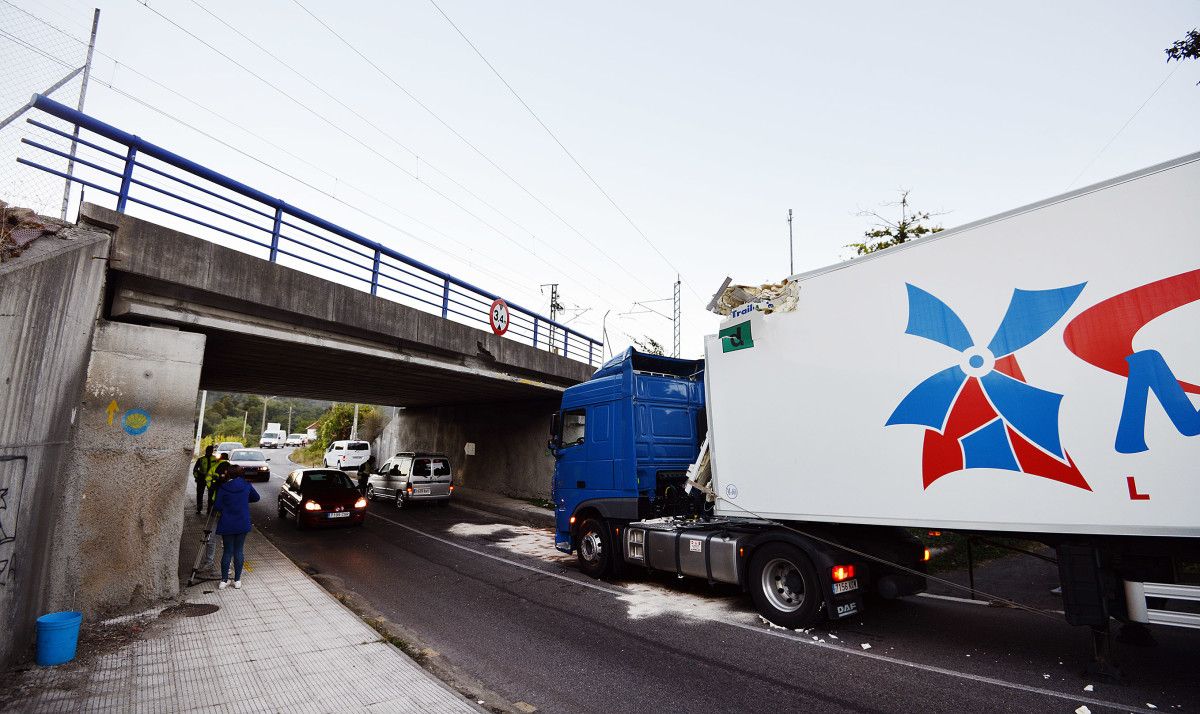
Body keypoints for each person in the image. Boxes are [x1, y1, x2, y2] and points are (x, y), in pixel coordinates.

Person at [212, 464, 260, 590]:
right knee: (239, 550)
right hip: (242, 522)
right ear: (240, 474)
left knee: (227, 551)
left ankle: (224, 581)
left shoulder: (223, 487)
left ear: (229, 474)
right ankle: (237, 580)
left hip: (227, 522)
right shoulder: (246, 485)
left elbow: (217, 505)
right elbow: (256, 498)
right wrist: (243, 500)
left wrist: (227, 507)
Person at [197, 456, 232, 575]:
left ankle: (227, 567)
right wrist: (214, 485)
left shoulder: (230, 485)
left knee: (224, 540)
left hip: (225, 513)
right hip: (216, 511)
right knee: (211, 538)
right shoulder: (218, 481)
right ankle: (209, 563)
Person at [191, 446, 218, 515]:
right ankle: (199, 509)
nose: (210, 451)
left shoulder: (215, 459)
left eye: (211, 450)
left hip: (211, 480)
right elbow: (195, 470)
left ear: (212, 451)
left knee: (211, 495)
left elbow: (218, 469)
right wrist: (197, 477)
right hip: (201, 479)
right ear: (206, 450)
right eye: (208, 450)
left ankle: (209, 510)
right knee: (200, 494)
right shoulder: (201, 459)